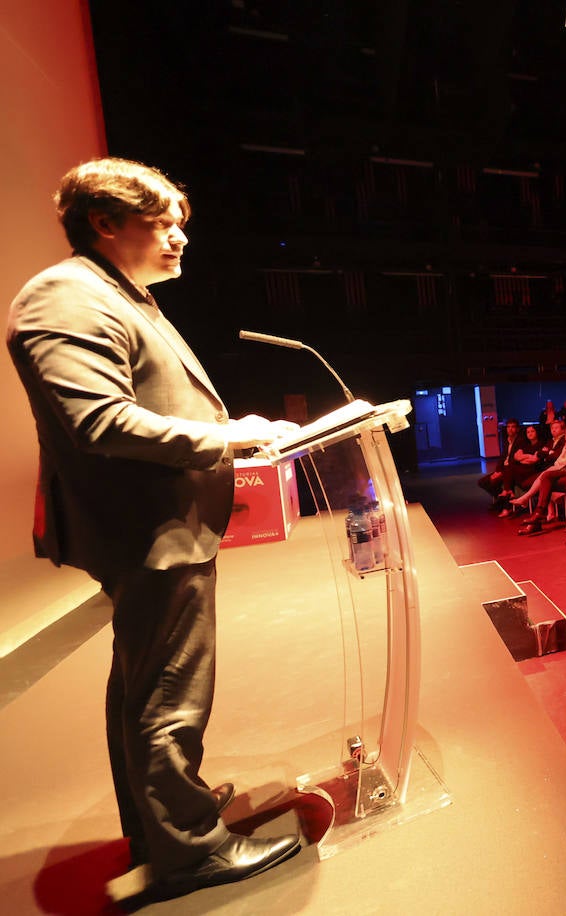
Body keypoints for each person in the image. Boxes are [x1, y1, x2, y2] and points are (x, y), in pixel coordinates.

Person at [6, 158, 302, 898]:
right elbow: (98, 420)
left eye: (180, 224)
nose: (179, 238)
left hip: (155, 520)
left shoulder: (114, 295)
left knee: (145, 687)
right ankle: (189, 851)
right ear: (105, 222)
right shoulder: (63, 296)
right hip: (145, 525)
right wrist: (226, 439)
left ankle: (164, 821)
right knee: (169, 693)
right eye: (162, 222)